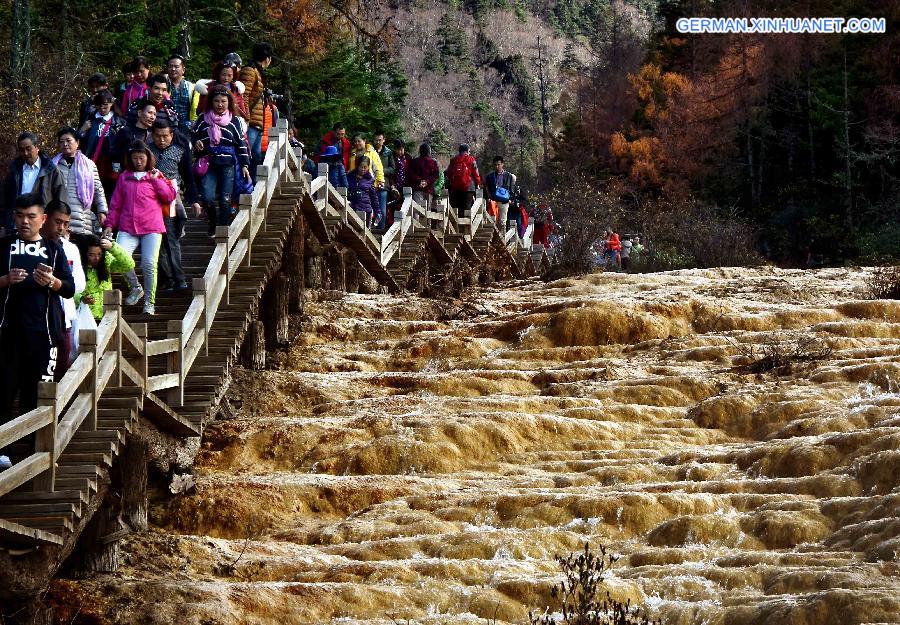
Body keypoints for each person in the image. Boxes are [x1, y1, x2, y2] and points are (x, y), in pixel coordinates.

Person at [0, 194, 76, 470]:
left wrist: (53, 282)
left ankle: (36, 453)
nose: (24, 221)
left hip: (44, 335)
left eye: (31, 216)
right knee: (5, 392)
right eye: (20, 215)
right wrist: (5, 280)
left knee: (38, 395)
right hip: (7, 333)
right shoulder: (5, 246)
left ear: (43, 219)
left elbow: (70, 288)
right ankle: (3, 452)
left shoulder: (54, 248)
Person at [104, 141, 176, 315]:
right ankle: (135, 287)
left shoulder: (155, 175)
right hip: (128, 226)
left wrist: (155, 180)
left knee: (149, 264)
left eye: (141, 158)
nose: (138, 161)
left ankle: (149, 302)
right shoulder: (124, 177)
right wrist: (108, 225)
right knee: (120, 259)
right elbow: (115, 204)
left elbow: (169, 196)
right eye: (135, 158)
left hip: (152, 227)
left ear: (148, 158)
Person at [192, 86, 251, 236]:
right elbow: (193, 135)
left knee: (225, 199)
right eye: (216, 101)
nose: (219, 104)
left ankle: (222, 230)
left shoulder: (234, 120)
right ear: (211, 102)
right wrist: (196, 142)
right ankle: (213, 222)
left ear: (229, 102)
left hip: (227, 163)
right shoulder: (202, 119)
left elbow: (241, 143)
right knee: (207, 197)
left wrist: (244, 164)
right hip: (208, 162)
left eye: (223, 101)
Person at [149, 120, 197, 293]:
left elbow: (188, 176)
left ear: (172, 135)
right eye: (157, 136)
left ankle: (179, 277)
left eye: (165, 136)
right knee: (157, 242)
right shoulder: (146, 152)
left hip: (171, 201)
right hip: (150, 203)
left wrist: (194, 200)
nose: (161, 140)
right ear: (152, 135)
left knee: (172, 240)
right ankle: (166, 279)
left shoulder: (180, 151)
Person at [40, 200, 85, 376]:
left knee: (59, 367)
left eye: (66, 224)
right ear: (45, 218)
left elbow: (79, 284)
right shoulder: (29, 244)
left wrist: (55, 282)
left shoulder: (70, 249)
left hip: (62, 316)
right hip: (33, 316)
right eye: (57, 222)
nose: (61, 228)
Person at [1, 132, 68, 237]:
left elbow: (61, 201)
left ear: (37, 147)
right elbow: (5, 200)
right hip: (16, 225)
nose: (26, 153)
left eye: (28, 149)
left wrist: (61, 226)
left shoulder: (51, 170)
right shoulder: (14, 170)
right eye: (22, 150)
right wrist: (3, 225)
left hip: (42, 226)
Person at [53, 127, 108, 235]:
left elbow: (98, 190)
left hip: (83, 219)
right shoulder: (53, 165)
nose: (65, 144)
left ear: (77, 142)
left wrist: (102, 211)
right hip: (59, 219)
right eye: (61, 142)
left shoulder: (89, 165)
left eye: (68, 140)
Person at [76, 234, 135, 322]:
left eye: (99, 254)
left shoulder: (106, 261)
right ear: (83, 253)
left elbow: (129, 264)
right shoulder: (75, 266)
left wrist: (113, 247)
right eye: (91, 255)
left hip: (107, 316)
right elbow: (67, 291)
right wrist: (80, 299)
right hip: (85, 317)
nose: (96, 258)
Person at [79, 90, 127, 198]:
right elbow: (79, 140)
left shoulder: (119, 122)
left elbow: (122, 144)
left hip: (110, 163)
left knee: (108, 192)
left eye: (105, 106)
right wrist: (82, 130)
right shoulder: (90, 119)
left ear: (111, 103)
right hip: (91, 160)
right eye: (99, 106)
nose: (102, 109)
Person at [240, 42, 274, 175]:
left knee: (255, 157)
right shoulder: (250, 71)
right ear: (268, 58)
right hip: (251, 122)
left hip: (257, 123)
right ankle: (244, 190)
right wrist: (246, 118)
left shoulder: (258, 72)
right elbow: (243, 96)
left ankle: (253, 189)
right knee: (246, 156)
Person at [112, 98, 157, 172]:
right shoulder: (126, 132)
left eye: (155, 114)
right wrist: (117, 171)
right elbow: (114, 153)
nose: (152, 117)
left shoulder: (152, 135)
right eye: (150, 113)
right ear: (139, 113)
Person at [166, 54, 199, 135]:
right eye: (170, 66)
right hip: (167, 129)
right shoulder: (163, 87)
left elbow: (196, 110)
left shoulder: (192, 88)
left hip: (187, 130)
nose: (173, 69)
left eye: (176, 67)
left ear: (183, 70)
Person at [446, 144, 481, 217]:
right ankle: (466, 226)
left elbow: (448, 173)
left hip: (455, 187)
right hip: (468, 187)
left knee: (456, 208)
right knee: (466, 208)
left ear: (459, 151)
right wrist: (477, 184)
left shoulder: (454, 160)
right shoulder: (471, 159)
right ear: (467, 151)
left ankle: (455, 226)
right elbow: (475, 173)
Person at [347, 156, 379, 228]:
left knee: (366, 233)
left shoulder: (370, 179)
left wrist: (378, 212)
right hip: (352, 209)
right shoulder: (350, 176)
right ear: (357, 166)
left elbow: (374, 197)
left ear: (368, 167)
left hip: (366, 210)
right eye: (361, 167)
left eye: (365, 167)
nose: (363, 169)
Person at [408, 143, 439, 214]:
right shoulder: (433, 162)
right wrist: (427, 182)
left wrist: (419, 181)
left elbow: (410, 174)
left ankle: (416, 225)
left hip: (417, 188)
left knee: (416, 210)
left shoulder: (414, 161)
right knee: (427, 212)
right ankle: (427, 225)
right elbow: (436, 175)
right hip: (429, 189)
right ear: (429, 151)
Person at [485, 156, 516, 229]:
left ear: (502, 164)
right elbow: (487, 188)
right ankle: (494, 239)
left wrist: (511, 199)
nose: (497, 166)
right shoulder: (490, 176)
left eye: (498, 164)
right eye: (495, 165)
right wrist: (488, 198)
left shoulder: (509, 176)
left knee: (502, 222)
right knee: (492, 221)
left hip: (504, 201)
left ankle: (502, 239)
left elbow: (512, 188)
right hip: (493, 201)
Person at [372, 132, 395, 229]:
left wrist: (380, 171)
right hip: (370, 183)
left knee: (382, 210)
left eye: (380, 140)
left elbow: (393, 169)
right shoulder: (370, 150)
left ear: (383, 140)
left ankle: (380, 231)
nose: (378, 142)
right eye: (376, 140)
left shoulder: (388, 152)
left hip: (383, 185)